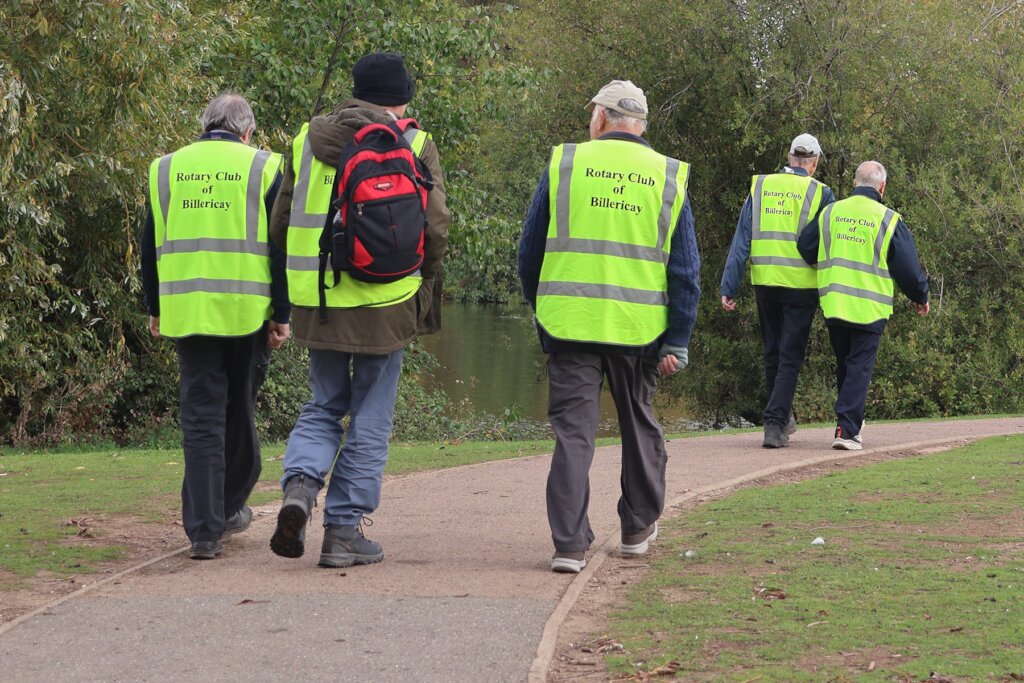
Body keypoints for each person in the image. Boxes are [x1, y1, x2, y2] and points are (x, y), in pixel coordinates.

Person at [268, 52, 449, 568]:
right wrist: (424, 281)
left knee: (323, 405)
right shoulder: (415, 142)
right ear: (402, 98)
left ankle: (300, 489)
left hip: (318, 302)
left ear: (355, 91)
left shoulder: (308, 140)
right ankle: (343, 531)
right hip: (387, 302)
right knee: (370, 416)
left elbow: (280, 224)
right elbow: (435, 228)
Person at [518, 80, 701, 573]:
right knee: (638, 423)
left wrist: (543, 309)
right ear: (641, 126)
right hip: (637, 328)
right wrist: (678, 337)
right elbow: (684, 271)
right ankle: (637, 527)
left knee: (573, 435)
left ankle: (569, 545)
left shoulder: (566, 163)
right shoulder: (667, 175)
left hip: (570, 322)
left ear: (600, 119)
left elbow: (529, 252)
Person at [140, 93, 291, 560]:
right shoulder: (265, 167)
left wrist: (155, 307)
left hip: (187, 310)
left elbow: (150, 242)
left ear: (204, 125)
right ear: (247, 132)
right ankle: (228, 507)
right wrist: (282, 314)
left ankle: (205, 532)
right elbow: (280, 247)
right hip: (247, 312)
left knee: (202, 420)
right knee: (239, 408)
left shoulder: (165, 168)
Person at [798, 160, 929, 450]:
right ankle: (846, 430)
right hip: (869, 306)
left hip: (834, 303)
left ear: (855, 183)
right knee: (858, 367)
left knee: (846, 365)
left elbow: (806, 247)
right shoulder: (888, 219)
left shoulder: (831, 212)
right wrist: (921, 297)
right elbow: (907, 268)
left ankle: (848, 421)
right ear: (882, 187)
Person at [720, 134, 835, 448]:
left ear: (789, 156)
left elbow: (742, 238)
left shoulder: (761, 186)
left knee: (773, 352)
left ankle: (780, 419)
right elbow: (829, 242)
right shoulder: (821, 192)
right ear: (814, 162)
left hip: (765, 281)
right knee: (790, 357)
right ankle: (774, 424)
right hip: (801, 285)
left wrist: (729, 285)